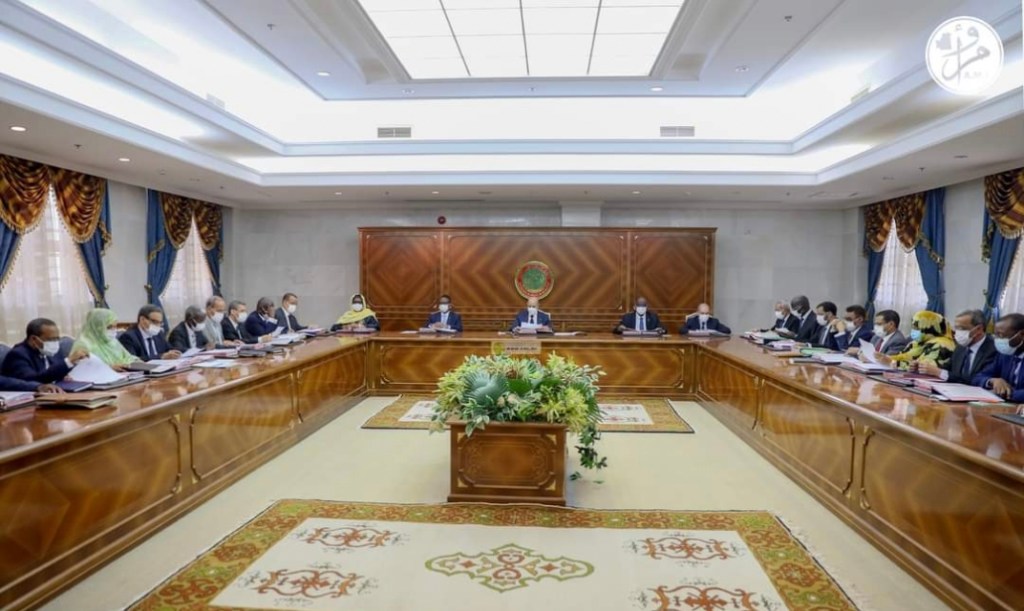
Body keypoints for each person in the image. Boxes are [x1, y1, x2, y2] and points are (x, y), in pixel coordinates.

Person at [914, 309, 996, 383]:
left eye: (962, 329)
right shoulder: (961, 346)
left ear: (979, 329)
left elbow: (976, 379)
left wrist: (939, 372)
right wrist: (923, 368)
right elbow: (948, 368)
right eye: (956, 328)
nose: (957, 333)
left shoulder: (993, 349)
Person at [1, 318, 89, 384]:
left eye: (57, 339)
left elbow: (55, 371)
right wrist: (68, 361)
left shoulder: (50, 350)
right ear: (33, 339)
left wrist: (65, 374)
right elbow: (34, 380)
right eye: (51, 340)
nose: (55, 343)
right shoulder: (18, 355)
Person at [972, 313, 1024, 402]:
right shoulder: (1004, 355)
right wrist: (992, 381)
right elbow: (977, 377)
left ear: (1022, 334)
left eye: (1001, 335)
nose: (997, 340)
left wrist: (1006, 393)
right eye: (995, 335)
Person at [885, 310, 956, 370]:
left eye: (917, 328)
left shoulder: (943, 345)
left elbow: (923, 367)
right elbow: (901, 356)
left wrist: (893, 362)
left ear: (929, 328)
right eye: (913, 327)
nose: (913, 330)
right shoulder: (916, 343)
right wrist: (885, 358)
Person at [75, 309, 139, 369]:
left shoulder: (113, 341)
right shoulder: (84, 345)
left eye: (115, 326)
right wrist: (110, 367)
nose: (113, 330)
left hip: (125, 375)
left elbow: (128, 357)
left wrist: (137, 362)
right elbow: (85, 369)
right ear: (97, 326)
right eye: (109, 327)